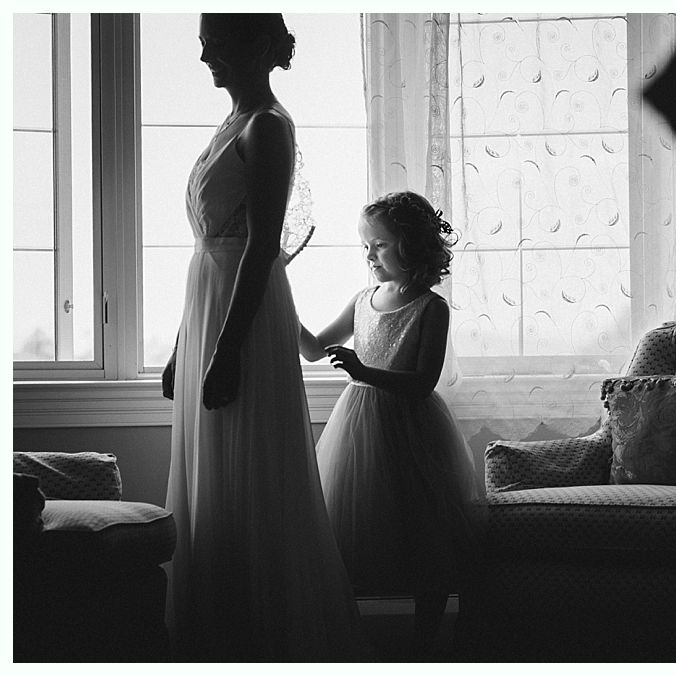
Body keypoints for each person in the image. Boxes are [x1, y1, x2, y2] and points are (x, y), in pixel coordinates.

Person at [162, 14, 361, 661]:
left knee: (249, 473)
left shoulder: (268, 127)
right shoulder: (231, 125)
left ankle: (260, 640)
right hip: (211, 313)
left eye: (212, 43)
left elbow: (259, 248)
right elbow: (208, 258)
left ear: (249, 46)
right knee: (212, 477)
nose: (202, 57)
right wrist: (180, 346)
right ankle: (215, 634)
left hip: (244, 322)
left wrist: (224, 352)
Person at [299, 191, 485, 658]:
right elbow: (313, 349)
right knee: (352, 533)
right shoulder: (363, 299)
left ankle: (425, 642)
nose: (369, 256)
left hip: (412, 430)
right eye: (365, 246)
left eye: (378, 245)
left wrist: (363, 371)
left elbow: (422, 382)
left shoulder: (430, 307)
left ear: (411, 245)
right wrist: (284, 309)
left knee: (426, 536)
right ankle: (352, 637)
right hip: (359, 428)